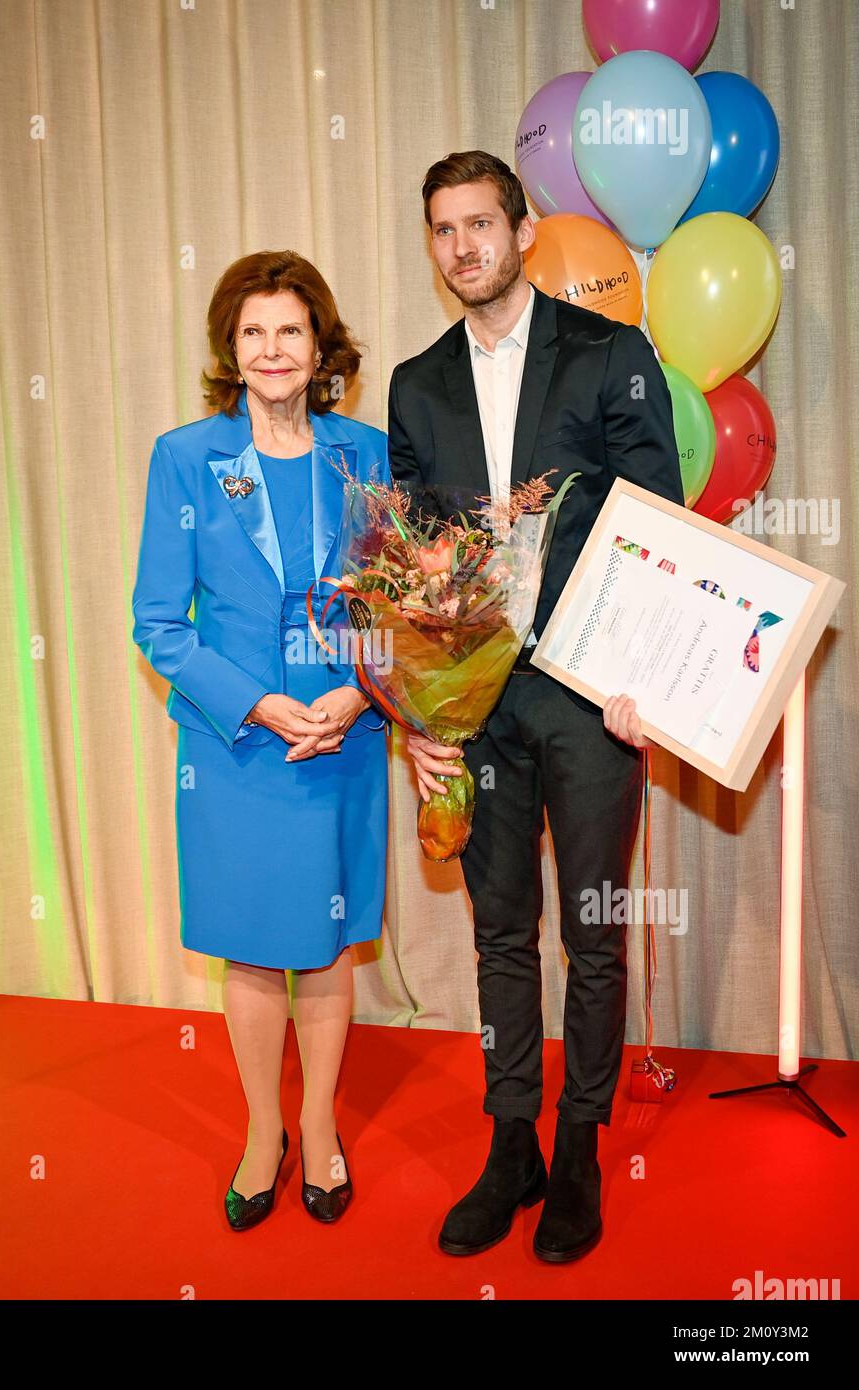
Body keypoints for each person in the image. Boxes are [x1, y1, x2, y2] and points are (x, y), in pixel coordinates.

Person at [388, 151, 683, 1262]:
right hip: (477, 706)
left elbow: (656, 522)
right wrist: (422, 710)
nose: (463, 246)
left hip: (591, 698)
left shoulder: (611, 352)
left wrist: (640, 674)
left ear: (522, 229)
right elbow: (416, 562)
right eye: (442, 231)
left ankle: (578, 1151)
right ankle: (510, 1139)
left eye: (480, 224)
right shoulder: (416, 384)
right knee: (500, 933)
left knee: (592, 935)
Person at [132, 250, 390, 1231]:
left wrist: (357, 701)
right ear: (230, 350)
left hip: (341, 740)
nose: (273, 349)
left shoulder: (363, 453)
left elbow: (387, 596)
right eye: (253, 333)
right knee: (249, 954)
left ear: (318, 345)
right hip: (238, 751)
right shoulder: (185, 459)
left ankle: (318, 1128)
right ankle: (260, 1133)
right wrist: (258, 704)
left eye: (290, 330)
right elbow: (159, 622)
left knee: (325, 949)